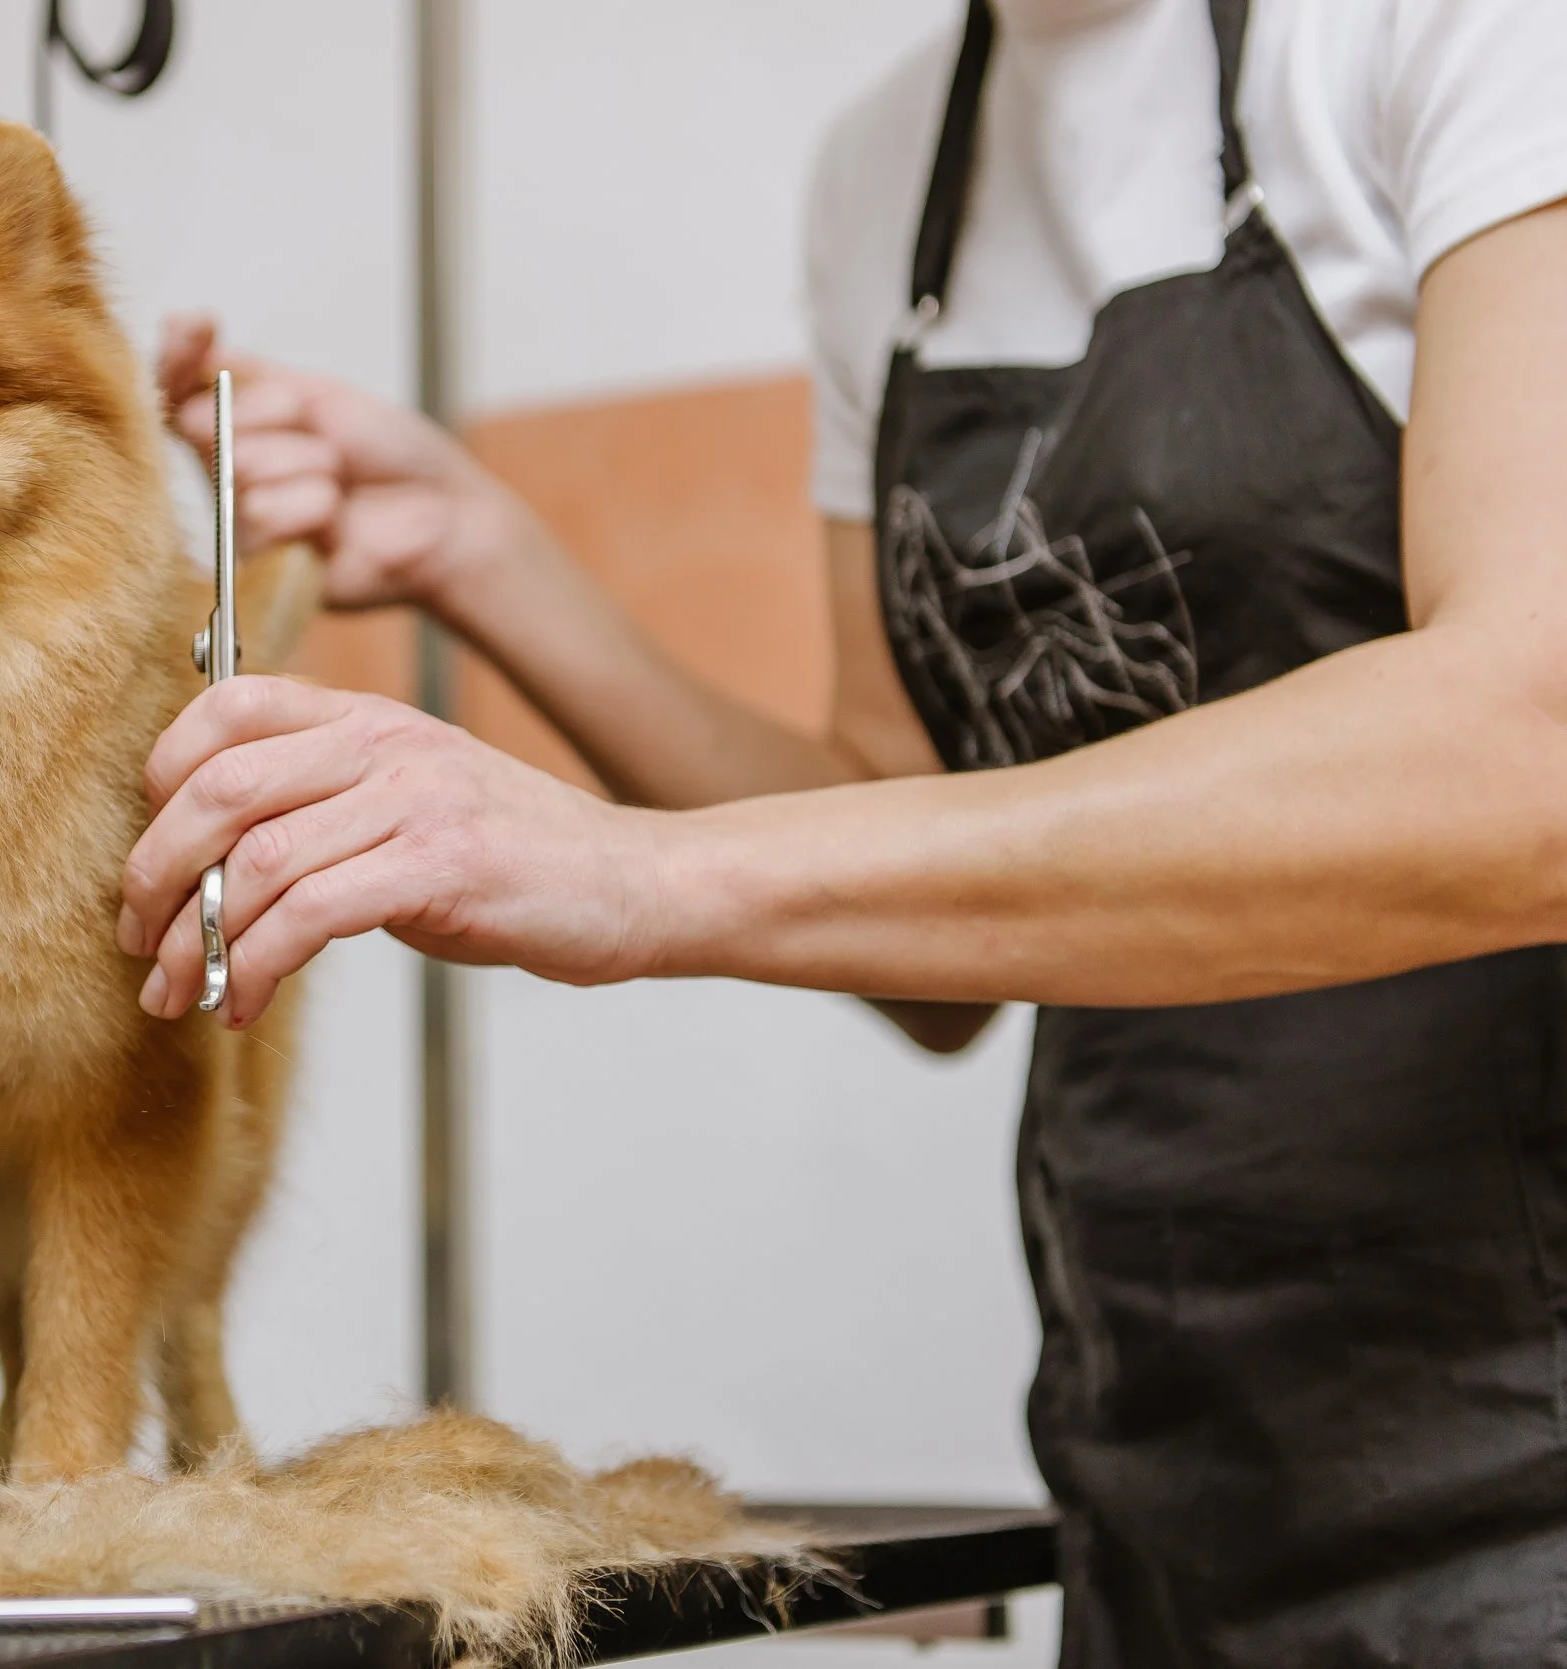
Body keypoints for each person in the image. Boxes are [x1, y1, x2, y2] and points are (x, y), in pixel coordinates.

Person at [121, 0, 1567, 1661]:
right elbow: (914, 895)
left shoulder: (1448, 28)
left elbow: (1531, 754)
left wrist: (637, 873)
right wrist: (479, 548)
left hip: (1527, 1447)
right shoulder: (890, 179)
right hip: (1167, 1443)